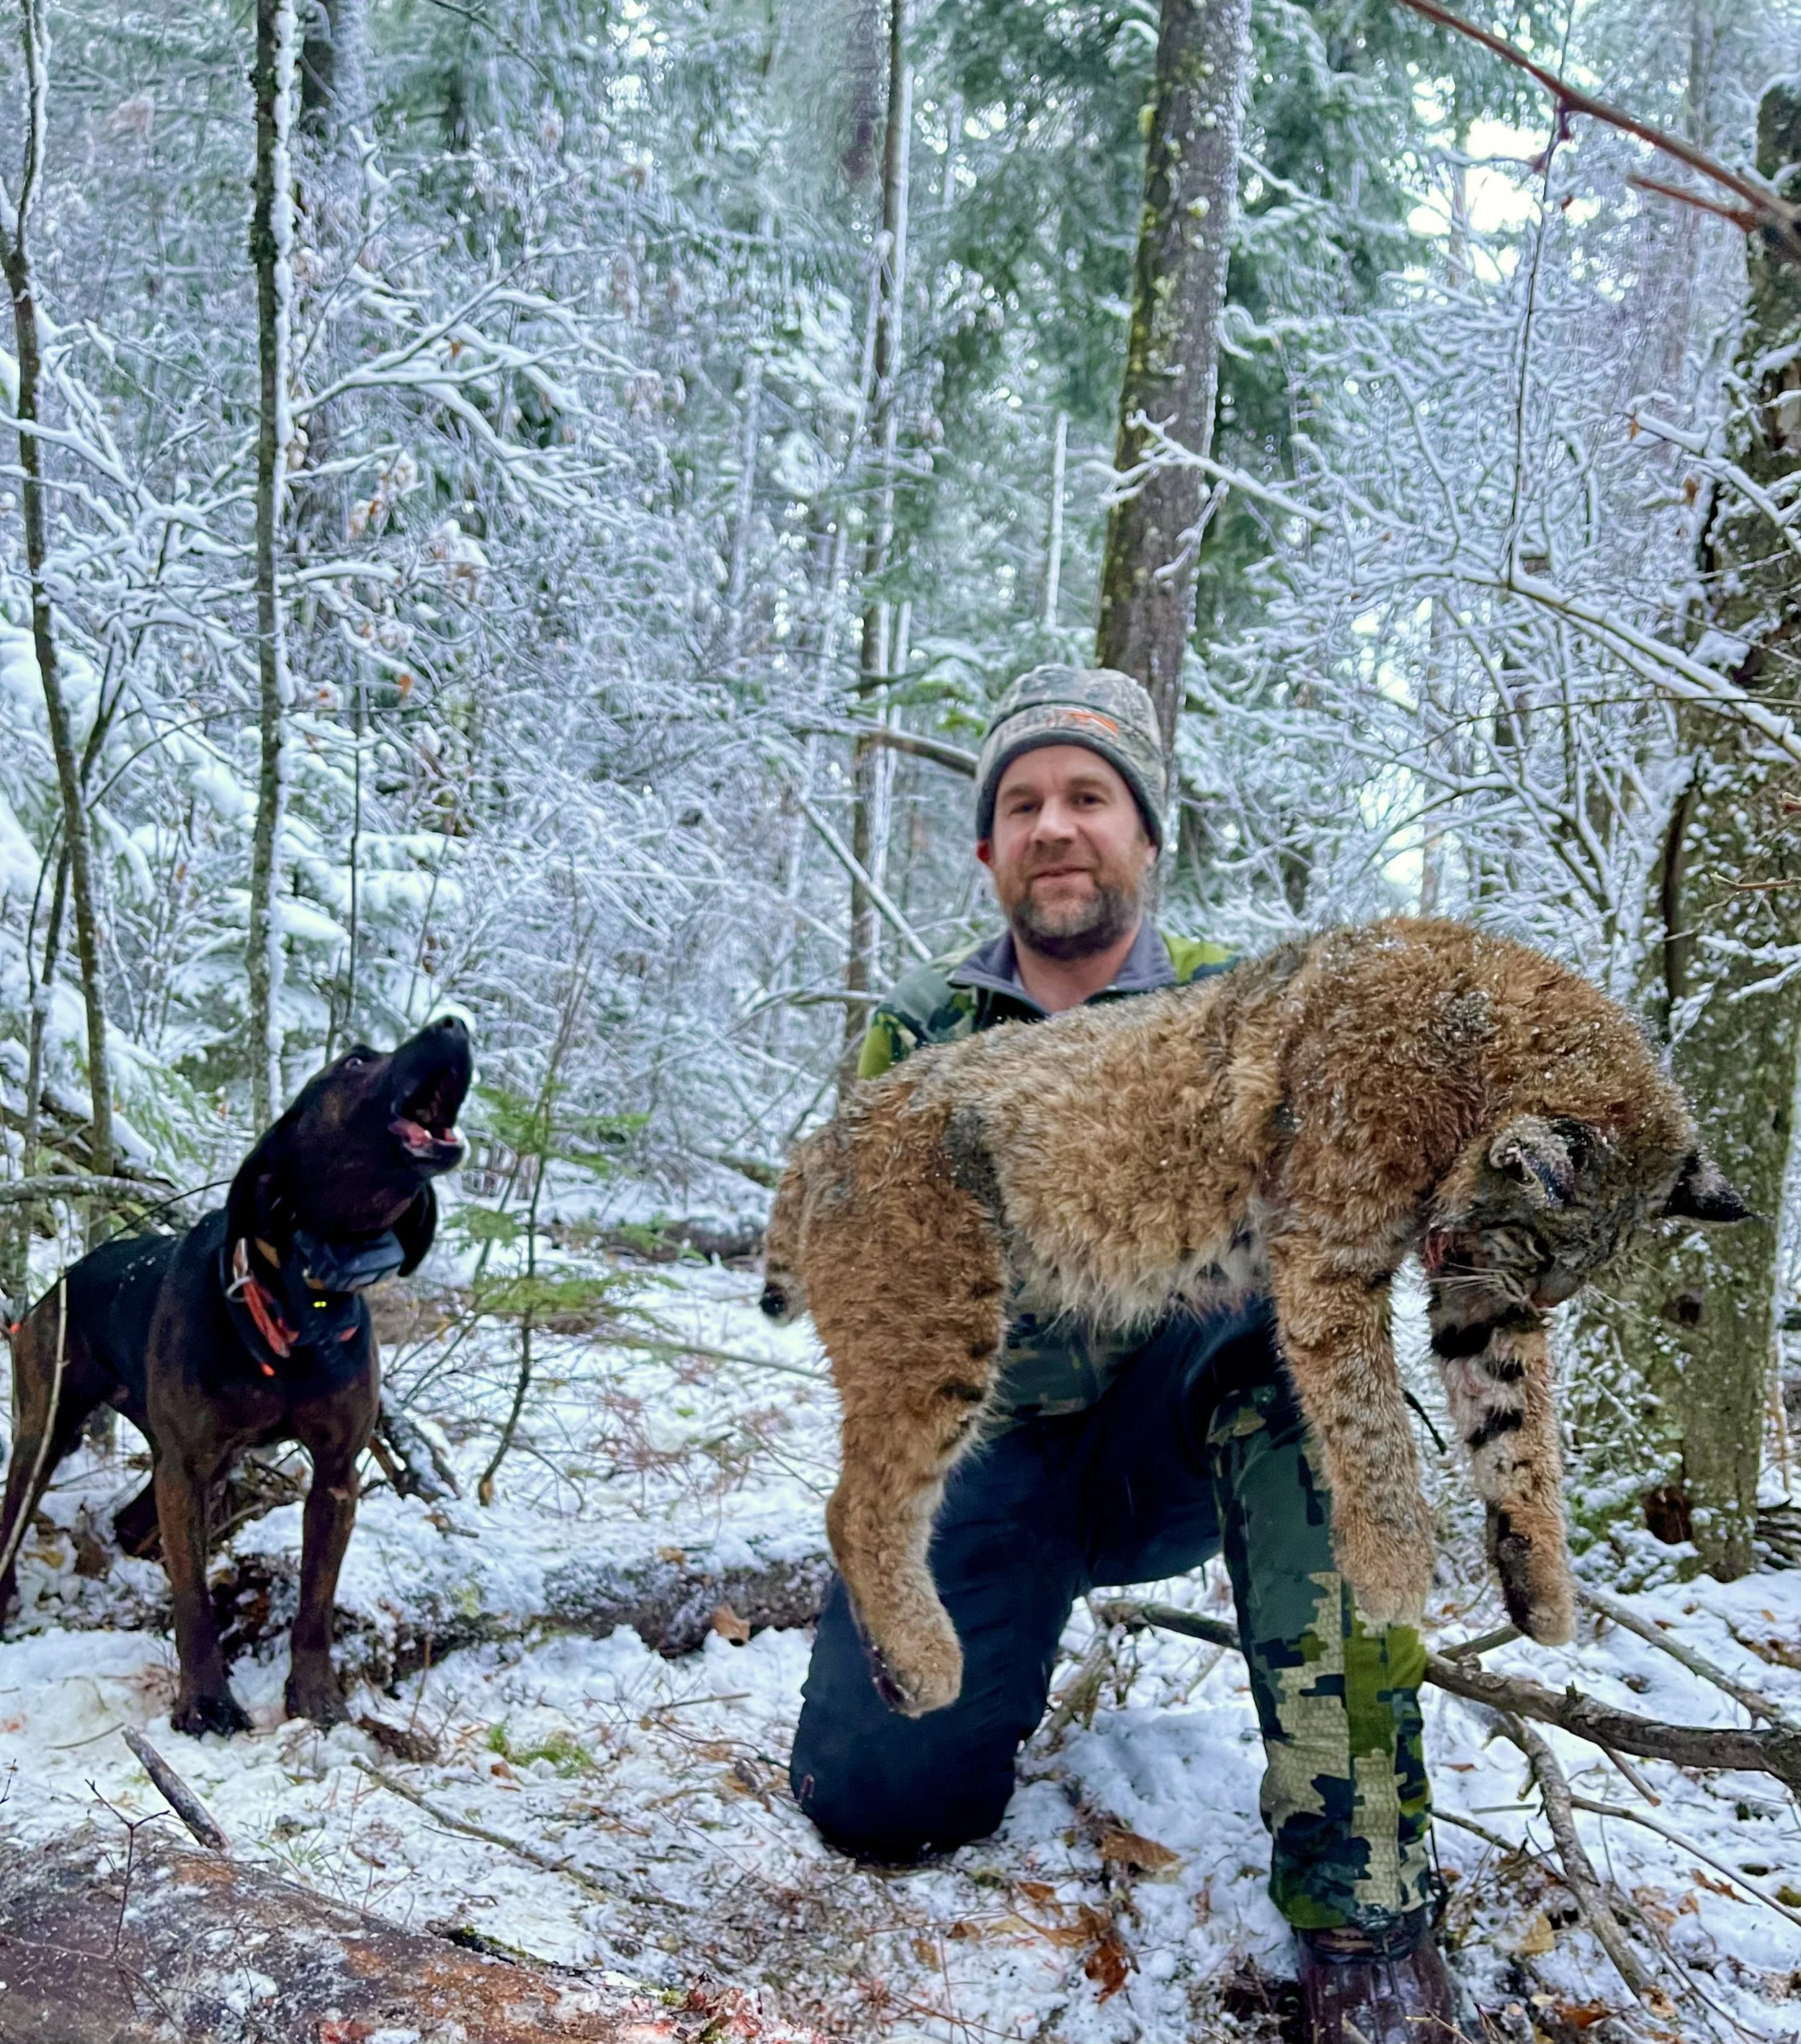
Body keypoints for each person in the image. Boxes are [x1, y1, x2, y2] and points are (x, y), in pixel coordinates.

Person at [787, 666, 1457, 2043]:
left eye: (1089, 798)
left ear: (1146, 835)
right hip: (1002, 1451)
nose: (1055, 827)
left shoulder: (1249, 1008)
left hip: (1184, 1434)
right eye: (1023, 804)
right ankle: (990, 1639)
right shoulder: (921, 1032)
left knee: (1302, 1352)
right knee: (875, 1802)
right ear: (988, 849)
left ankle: (1365, 1904)